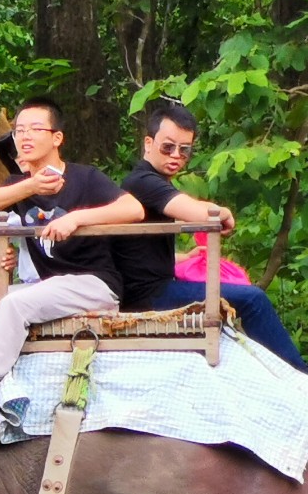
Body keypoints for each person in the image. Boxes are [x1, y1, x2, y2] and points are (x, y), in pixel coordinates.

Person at [0, 97, 141, 440]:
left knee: (13, 304)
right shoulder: (19, 185)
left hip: (93, 283)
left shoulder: (85, 178)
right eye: (20, 130)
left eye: (36, 129)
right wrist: (32, 185)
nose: (25, 136)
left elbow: (134, 209)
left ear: (57, 138)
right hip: (49, 286)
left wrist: (78, 218)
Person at [117, 99, 304, 371]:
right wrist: (223, 212)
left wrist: (183, 257)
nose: (175, 156)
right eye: (167, 147)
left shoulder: (150, 181)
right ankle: (300, 376)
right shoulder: (142, 181)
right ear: (148, 143)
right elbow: (200, 213)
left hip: (154, 284)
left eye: (184, 150)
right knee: (253, 299)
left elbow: (140, 251)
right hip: (149, 295)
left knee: (244, 295)